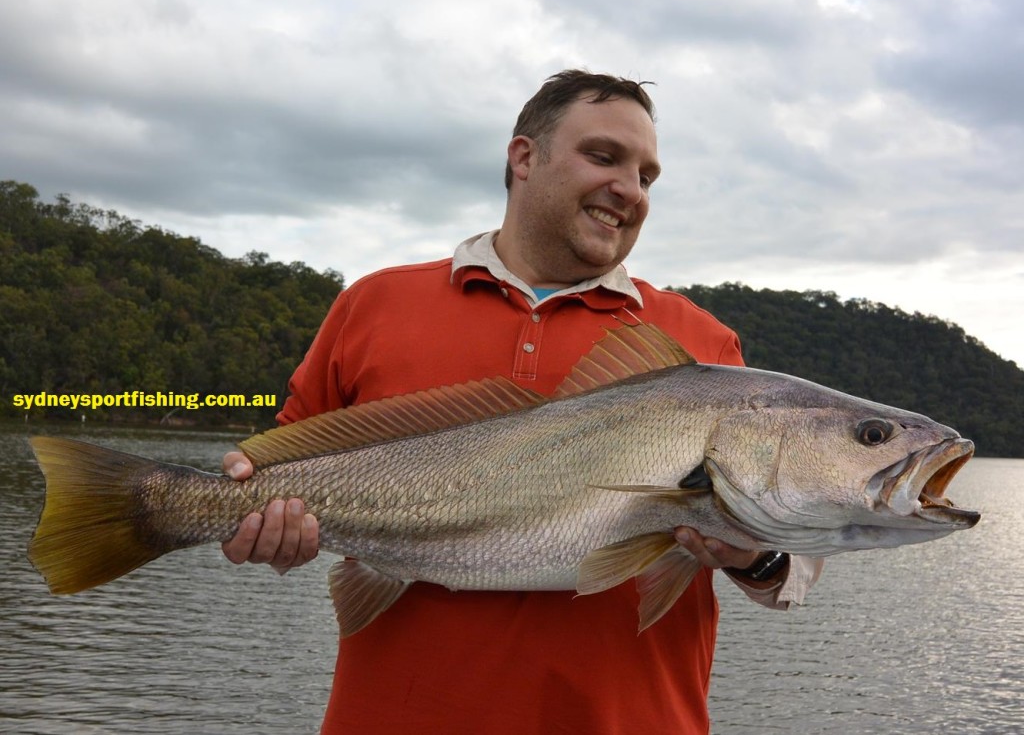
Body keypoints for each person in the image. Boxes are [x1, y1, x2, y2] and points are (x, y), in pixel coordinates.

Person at [221, 70, 823, 734]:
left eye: (647, 176)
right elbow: (273, 478)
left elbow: (792, 567)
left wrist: (752, 555)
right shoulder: (374, 304)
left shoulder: (699, 346)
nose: (630, 188)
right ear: (523, 158)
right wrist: (262, 527)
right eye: (603, 156)